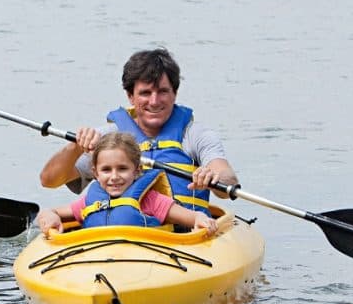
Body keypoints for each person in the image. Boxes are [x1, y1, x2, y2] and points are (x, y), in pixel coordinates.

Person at [38, 48, 237, 215]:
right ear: (130, 96)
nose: (154, 101)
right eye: (145, 93)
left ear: (175, 93)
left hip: (183, 236)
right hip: (123, 231)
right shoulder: (109, 138)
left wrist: (212, 177)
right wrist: (74, 148)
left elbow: (226, 181)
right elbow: (49, 181)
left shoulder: (195, 135)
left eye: (162, 91)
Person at [35, 133, 218, 237]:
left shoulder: (152, 200)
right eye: (106, 170)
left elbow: (191, 217)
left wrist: (200, 220)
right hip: (97, 263)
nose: (114, 177)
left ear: (137, 170)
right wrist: (50, 216)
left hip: (146, 263)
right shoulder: (89, 203)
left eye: (122, 169)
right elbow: (53, 212)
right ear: (96, 173)